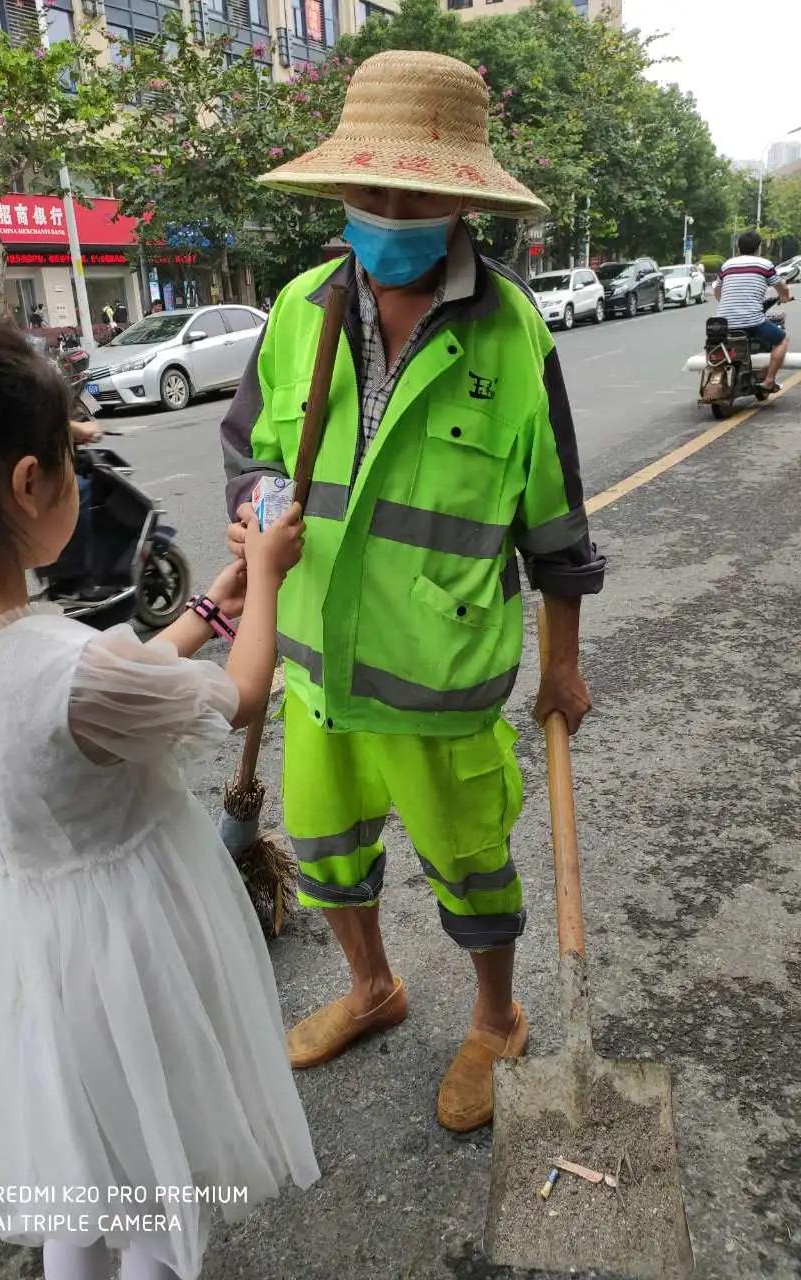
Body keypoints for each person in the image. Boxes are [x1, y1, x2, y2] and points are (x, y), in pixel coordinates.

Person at [0, 308, 316, 1280]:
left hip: (32, 929)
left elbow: (102, 693)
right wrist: (263, 577)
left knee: (81, 1163)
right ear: (30, 482)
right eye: (68, 456)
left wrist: (201, 610)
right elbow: (239, 694)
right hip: (129, 938)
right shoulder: (68, 664)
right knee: (152, 1179)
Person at [222, 50, 605, 1133]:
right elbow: (244, 450)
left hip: (441, 682)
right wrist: (253, 515)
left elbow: (557, 522)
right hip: (314, 671)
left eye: (416, 194)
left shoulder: (513, 331)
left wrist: (564, 662)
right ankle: (371, 986)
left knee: (473, 867)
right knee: (334, 858)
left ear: (459, 201)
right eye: (372, 191)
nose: (389, 214)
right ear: (341, 187)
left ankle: (495, 1018)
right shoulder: (299, 307)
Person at [714, 230, 793, 392]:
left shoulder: (727, 265)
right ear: (758, 248)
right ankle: (769, 381)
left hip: (723, 321)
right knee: (782, 340)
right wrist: (785, 297)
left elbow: (717, 291)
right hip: (752, 321)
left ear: (738, 248)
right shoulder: (764, 264)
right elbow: (782, 287)